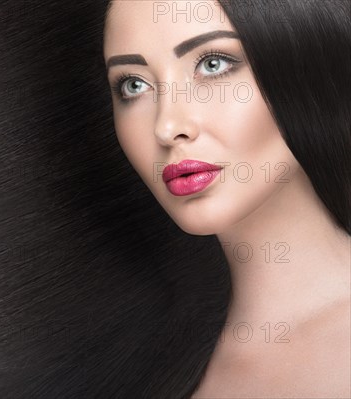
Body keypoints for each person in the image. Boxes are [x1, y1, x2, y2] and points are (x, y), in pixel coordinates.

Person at [104, 0, 350, 396]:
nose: (168, 127)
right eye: (134, 84)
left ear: (309, 57)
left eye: (213, 64)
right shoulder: (129, 359)